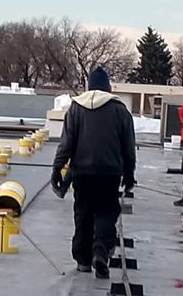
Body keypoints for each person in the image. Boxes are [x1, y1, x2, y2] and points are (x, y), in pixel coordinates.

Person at [51, 66, 138, 276]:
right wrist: (129, 173)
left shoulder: (76, 108)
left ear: (88, 86)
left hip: (82, 173)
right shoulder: (120, 109)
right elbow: (128, 145)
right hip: (110, 172)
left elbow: (66, 143)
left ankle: (82, 259)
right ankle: (101, 248)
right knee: (107, 212)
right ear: (108, 87)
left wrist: (57, 168)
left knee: (83, 213)